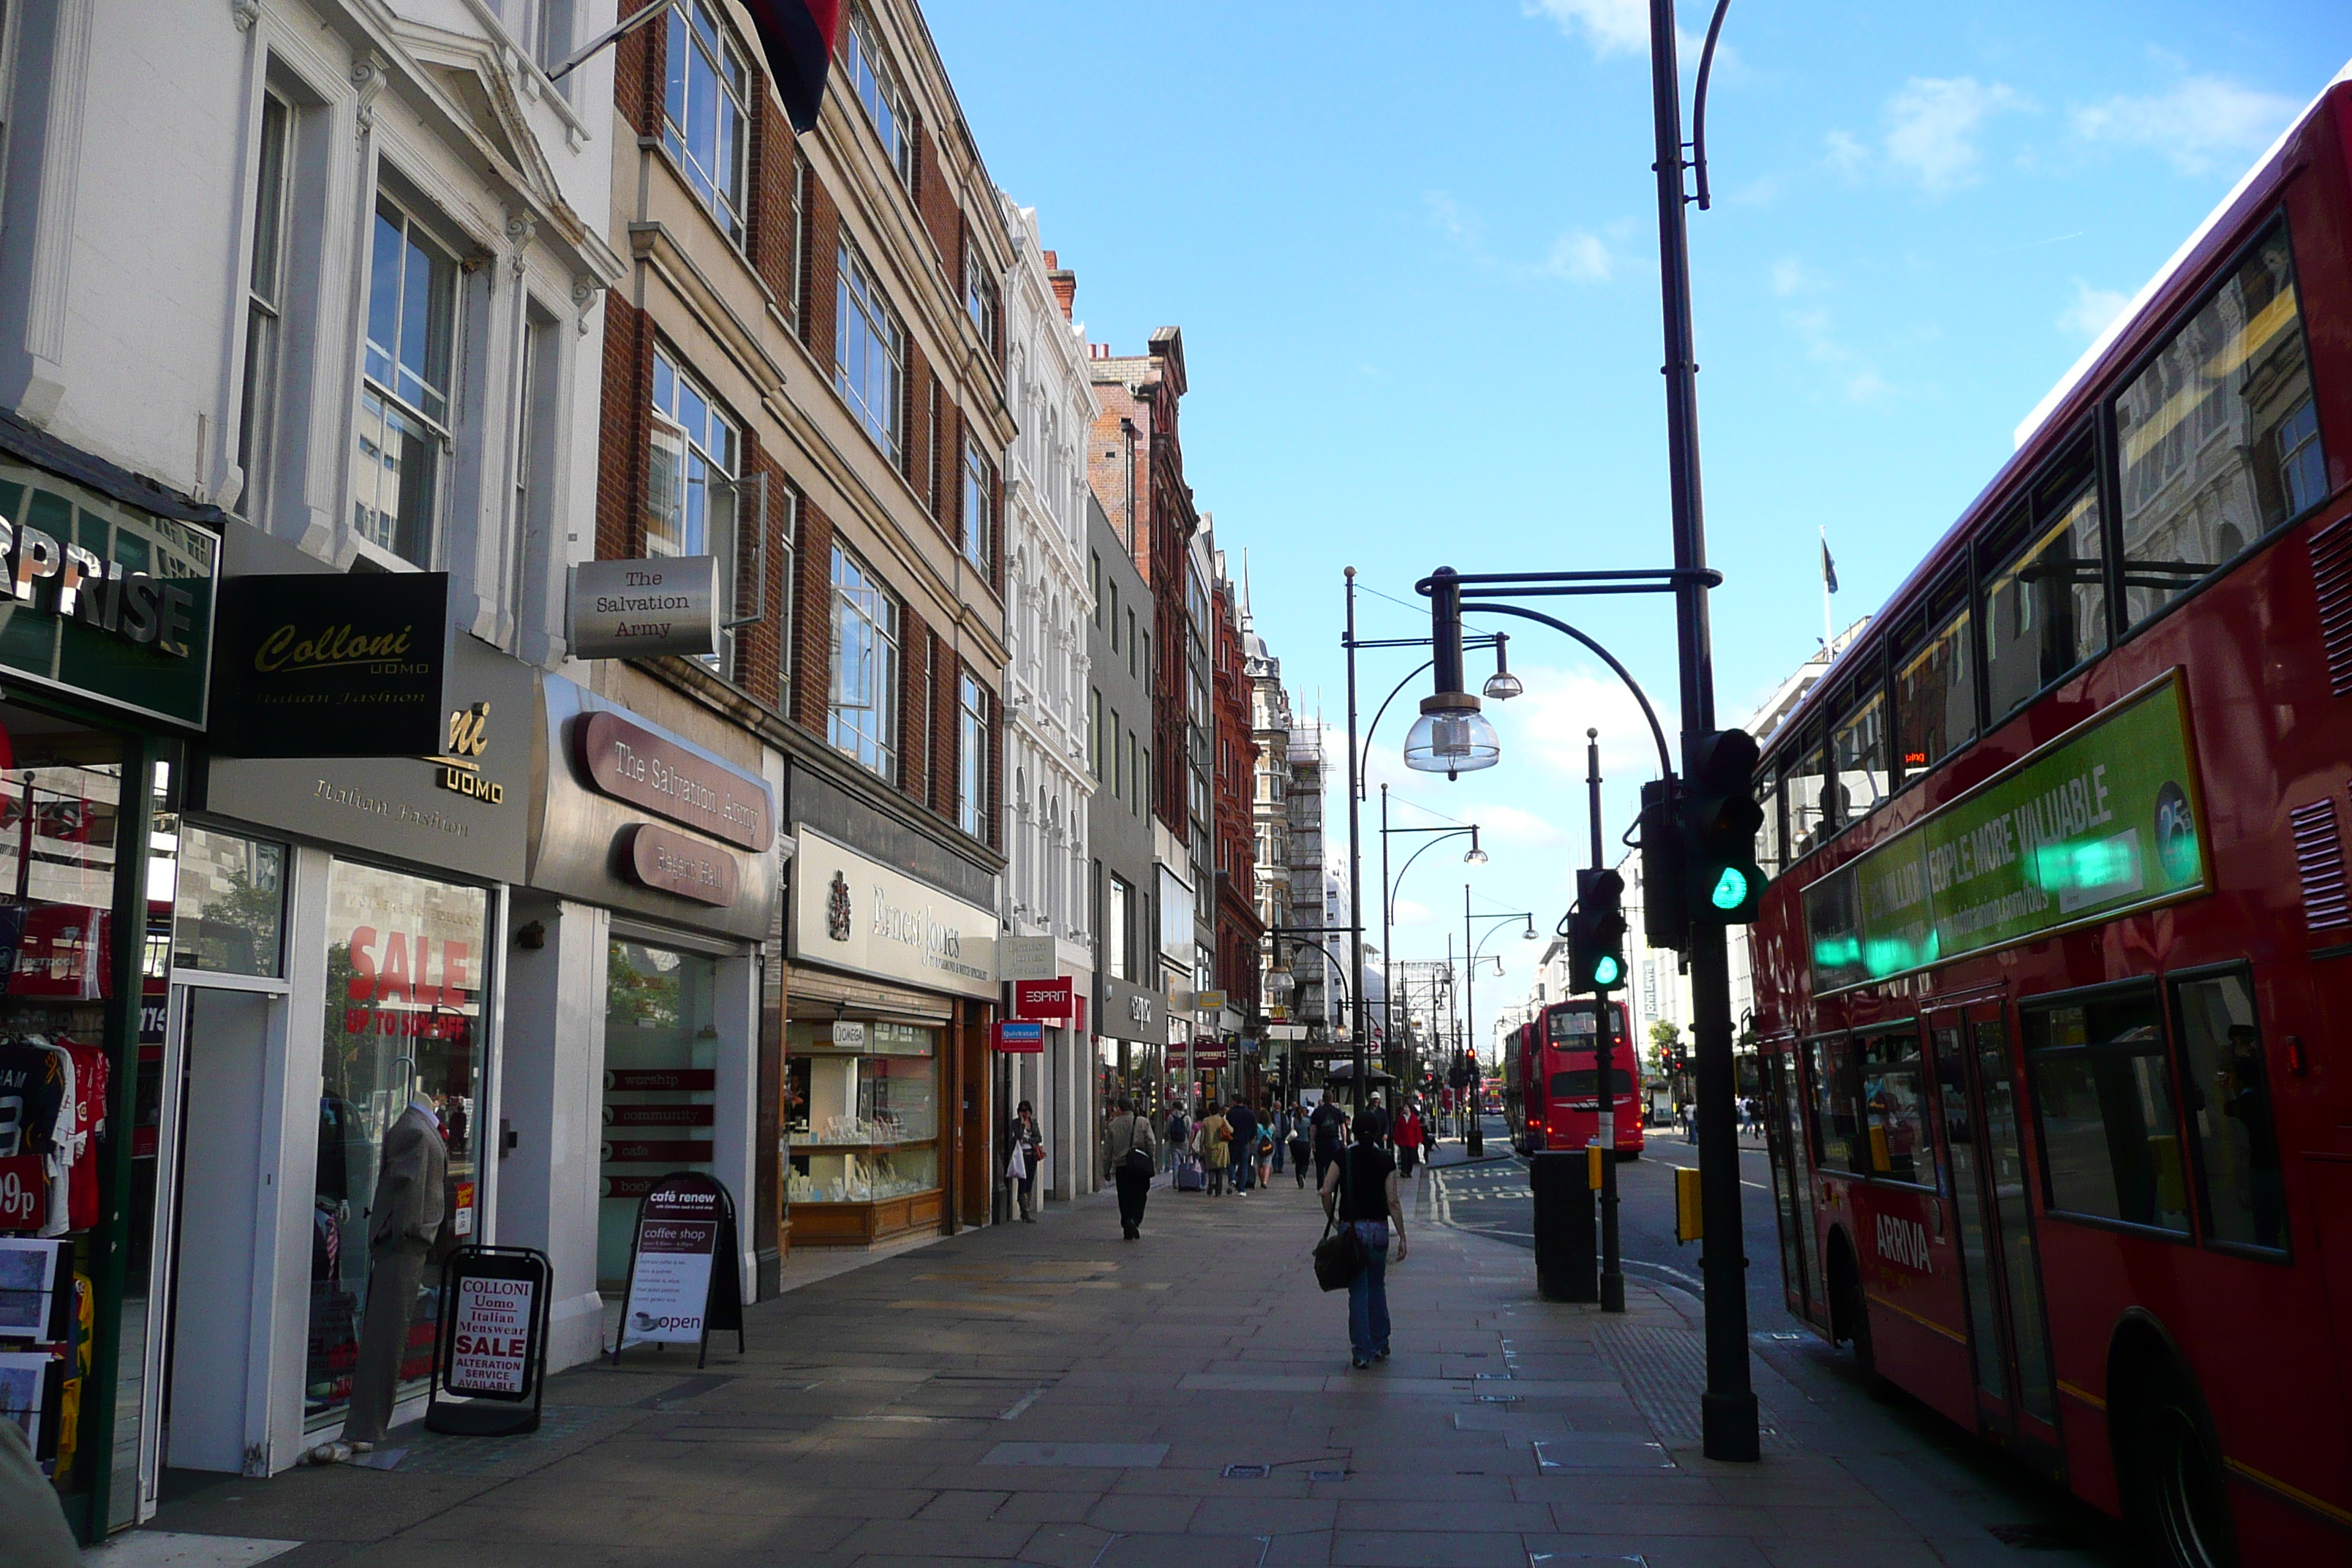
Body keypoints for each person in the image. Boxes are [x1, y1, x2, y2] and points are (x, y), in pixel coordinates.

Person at [1320, 1111, 1406, 1369]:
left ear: (1353, 1131)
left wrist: (1333, 1219)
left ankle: (1362, 1352)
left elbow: (1326, 1190)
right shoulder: (1385, 1160)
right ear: (1380, 1132)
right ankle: (1381, 1342)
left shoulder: (1343, 1157)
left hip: (1353, 1231)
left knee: (1358, 1291)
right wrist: (1402, 1235)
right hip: (1379, 1230)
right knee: (1377, 1287)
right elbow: (1392, 1200)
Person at [1101, 1093, 1158, 1240]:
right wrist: (1151, 1160)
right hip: (1139, 1166)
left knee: (1124, 1197)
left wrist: (1106, 1169)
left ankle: (1127, 1223)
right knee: (1140, 1195)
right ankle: (1135, 1220)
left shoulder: (1113, 1125)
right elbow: (1151, 1143)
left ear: (1119, 1109)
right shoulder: (1143, 1122)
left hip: (1122, 1167)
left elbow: (1107, 1150)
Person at [1006, 1100, 1045, 1221]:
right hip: (1020, 1157)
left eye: (1028, 1111)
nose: (1026, 1113)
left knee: (1029, 1182)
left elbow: (1039, 1138)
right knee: (1022, 1183)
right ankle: (1025, 1212)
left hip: (1031, 1156)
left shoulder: (1034, 1123)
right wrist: (1022, 1124)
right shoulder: (1016, 1123)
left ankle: (1026, 1209)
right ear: (1019, 1112)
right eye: (1023, 1111)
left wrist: (1028, 1140)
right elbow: (1018, 1136)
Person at [1194, 1100, 1232, 1196]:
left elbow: (1202, 1137)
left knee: (1211, 1168)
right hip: (1221, 1148)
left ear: (1210, 1111)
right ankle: (1218, 1190)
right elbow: (1231, 1130)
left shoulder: (1206, 1121)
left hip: (1209, 1148)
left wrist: (1201, 1150)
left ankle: (1211, 1181)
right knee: (1220, 1169)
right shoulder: (1222, 1120)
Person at [1310, 1095, 1347, 1187]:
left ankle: (1320, 1186)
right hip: (1333, 1140)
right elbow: (1343, 1128)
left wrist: (1312, 1141)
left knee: (1320, 1164)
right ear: (1332, 1099)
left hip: (1320, 1141)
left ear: (1323, 1099)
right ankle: (1331, 1185)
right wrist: (1344, 1140)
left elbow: (1313, 1129)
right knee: (1332, 1164)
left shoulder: (1318, 1111)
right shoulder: (1337, 1111)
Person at [1226, 1098, 1259, 1194]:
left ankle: (1232, 1179)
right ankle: (1242, 1189)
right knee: (1244, 1165)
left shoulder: (1230, 1113)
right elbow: (1254, 1128)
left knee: (1231, 1162)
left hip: (1232, 1141)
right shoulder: (1250, 1113)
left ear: (1235, 1101)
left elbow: (1227, 1127)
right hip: (1245, 1142)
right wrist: (1252, 1139)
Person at [1394, 1101, 1425, 1181]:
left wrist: (1419, 1140)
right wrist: (1396, 1140)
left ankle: (1409, 1171)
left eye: (1406, 1107)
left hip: (1412, 1141)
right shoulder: (1401, 1119)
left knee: (1410, 1157)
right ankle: (1404, 1171)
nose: (1404, 1109)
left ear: (1409, 1109)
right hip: (1403, 1141)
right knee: (1404, 1156)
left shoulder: (1414, 1118)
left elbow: (1417, 1130)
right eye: (1404, 1107)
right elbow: (1397, 1130)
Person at [1288, 1103, 1312, 1187]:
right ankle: (1303, 1174)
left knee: (1298, 1163)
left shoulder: (1293, 1121)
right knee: (1306, 1162)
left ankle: (1299, 1179)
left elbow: (1289, 1132)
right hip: (1305, 1143)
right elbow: (1310, 1132)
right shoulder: (1307, 1121)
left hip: (1296, 1144)